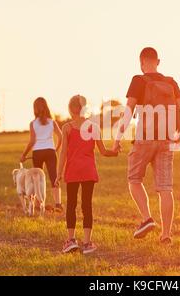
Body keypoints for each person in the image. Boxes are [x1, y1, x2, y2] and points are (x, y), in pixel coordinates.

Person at [113, 47, 180, 244]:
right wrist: (178, 134)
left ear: (141, 62)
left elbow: (128, 112)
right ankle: (166, 235)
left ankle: (146, 218)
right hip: (167, 139)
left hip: (145, 138)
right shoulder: (171, 82)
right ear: (158, 62)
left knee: (134, 179)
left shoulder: (138, 80)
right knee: (165, 188)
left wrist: (117, 139)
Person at [56, 95, 119, 254]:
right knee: (87, 205)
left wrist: (58, 173)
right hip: (88, 170)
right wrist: (115, 152)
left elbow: (63, 153)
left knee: (71, 204)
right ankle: (87, 243)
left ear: (71, 109)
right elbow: (104, 152)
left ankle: (71, 240)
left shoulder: (67, 128)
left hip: (73, 170)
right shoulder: (94, 127)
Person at [21, 97, 63, 212]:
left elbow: (32, 141)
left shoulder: (33, 124)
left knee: (37, 179)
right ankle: (58, 204)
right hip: (50, 151)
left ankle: (40, 204)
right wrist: (56, 148)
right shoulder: (52, 122)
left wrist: (24, 154)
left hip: (37, 152)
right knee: (54, 177)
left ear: (35, 109)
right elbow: (60, 137)